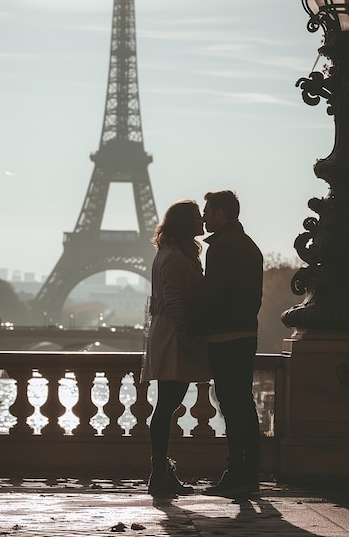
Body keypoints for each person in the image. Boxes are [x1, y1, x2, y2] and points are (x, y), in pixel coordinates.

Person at [141, 200, 209, 497]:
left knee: (167, 403)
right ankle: (160, 474)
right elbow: (174, 299)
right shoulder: (173, 256)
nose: (203, 220)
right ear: (185, 223)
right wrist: (187, 334)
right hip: (173, 334)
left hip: (170, 331)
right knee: (168, 402)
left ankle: (161, 473)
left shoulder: (172, 253)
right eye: (197, 217)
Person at [200, 190, 264, 497]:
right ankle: (249, 472)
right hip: (245, 334)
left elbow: (211, 295)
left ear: (222, 214)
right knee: (244, 404)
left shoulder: (220, 248)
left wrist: (196, 328)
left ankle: (235, 473)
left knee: (230, 405)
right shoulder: (251, 247)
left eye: (208, 211)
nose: (204, 216)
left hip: (224, 336)